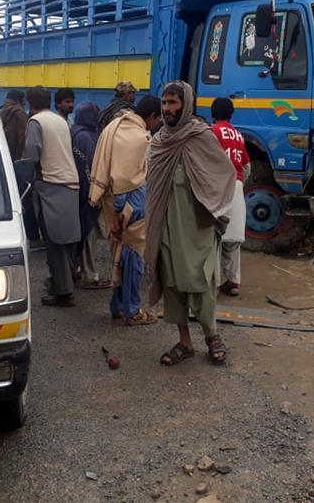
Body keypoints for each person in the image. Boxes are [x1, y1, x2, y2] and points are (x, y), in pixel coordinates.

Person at [146, 81, 236, 365]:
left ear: (186, 104)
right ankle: (184, 342)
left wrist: (213, 206)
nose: (167, 108)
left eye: (173, 103)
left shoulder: (200, 136)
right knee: (172, 283)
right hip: (166, 225)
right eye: (164, 103)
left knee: (202, 281)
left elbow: (225, 173)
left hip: (197, 226)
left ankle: (212, 336)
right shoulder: (159, 140)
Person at [90, 95, 161, 324]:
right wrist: (123, 212)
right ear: (151, 117)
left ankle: (118, 306)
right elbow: (125, 177)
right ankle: (132, 311)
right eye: (156, 120)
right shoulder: (137, 137)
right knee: (133, 261)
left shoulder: (116, 125)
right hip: (130, 208)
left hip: (113, 205)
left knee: (119, 256)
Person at [19, 86, 81, 307]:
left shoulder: (35, 122)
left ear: (29, 103)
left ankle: (63, 292)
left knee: (53, 242)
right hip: (71, 184)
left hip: (50, 186)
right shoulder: (60, 121)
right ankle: (61, 284)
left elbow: (31, 155)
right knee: (67, 241)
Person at [209, 98, 250, 297]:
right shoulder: (238, 135)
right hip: (237, 186)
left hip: (218, 187)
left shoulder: (211, 132)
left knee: (214, 236)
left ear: (212, 112)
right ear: (231, 114)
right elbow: (246, 166)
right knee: (233, 239)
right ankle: (233, 282)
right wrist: (240, 184)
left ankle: (214, 284)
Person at [70, 101, 106, 290]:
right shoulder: (86, 137)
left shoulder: (77, 131)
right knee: (88, 236)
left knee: (83, 235)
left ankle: (75, 270)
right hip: (87, 194)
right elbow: (90, 168)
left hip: (78, 192)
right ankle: (89, 276)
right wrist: (93, 195)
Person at [0, 89, 41, 244]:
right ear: (20, 100)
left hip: (5, 161)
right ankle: (33, 237)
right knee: (27, 199)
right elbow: (26, 138)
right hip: (19, 161)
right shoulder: (19, 114)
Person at [0, 89, 28, 162]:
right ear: (18, 100)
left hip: (1, 152)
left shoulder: (0, 110)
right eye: (23, 101)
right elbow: (24, 135)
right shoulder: (20, 113)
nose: (24, 104)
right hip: (15, 155)